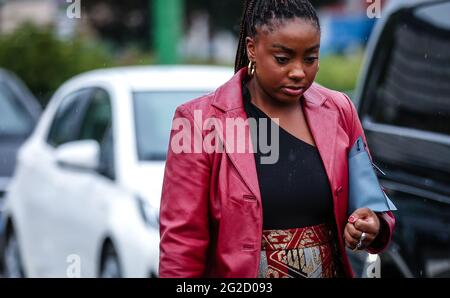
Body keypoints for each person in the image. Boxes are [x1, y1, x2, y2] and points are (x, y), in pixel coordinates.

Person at [159, 0, 395, 278]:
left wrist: (373, 224)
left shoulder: (339, 110)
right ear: (252, 49)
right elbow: (182, 245)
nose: (298, 72)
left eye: (310, 58)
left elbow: (370, 200)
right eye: (283, 59)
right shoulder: (199, 122)